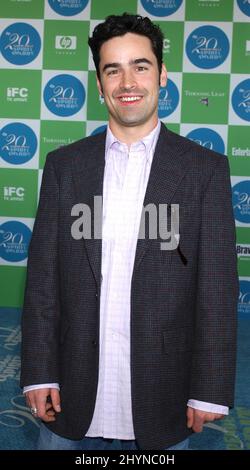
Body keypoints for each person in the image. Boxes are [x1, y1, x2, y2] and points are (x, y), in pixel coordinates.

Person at [21, 13, 238, 451]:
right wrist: (39, 371)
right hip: (72, 388)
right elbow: (43, 282)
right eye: (112, 69)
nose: (128, 82)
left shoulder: (204, 170)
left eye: (140, 66)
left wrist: (210, 386)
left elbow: (216, 289)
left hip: (166, 392)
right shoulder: (65, 167)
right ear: (99, 85)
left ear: (162, 76)